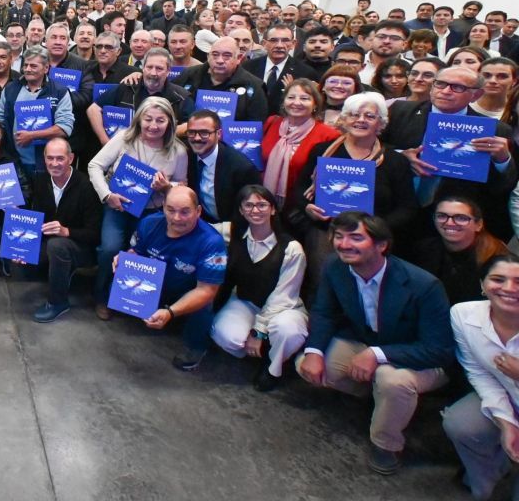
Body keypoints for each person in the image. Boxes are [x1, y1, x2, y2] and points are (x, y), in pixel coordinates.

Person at [297, 212, 455, 475]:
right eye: (338, 236)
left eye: (356, 237)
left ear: (382, 245)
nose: (344, 244)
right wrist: (313, 351)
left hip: (422, 357)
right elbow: (324, 311)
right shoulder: (335, 266)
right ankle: (380, 400)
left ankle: (386, 443)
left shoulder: (424, 285)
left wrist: (377, 354)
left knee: (391, 381)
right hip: (372, 343)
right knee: (309, 364)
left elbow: (439, 350)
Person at [289, 92, 420, 294]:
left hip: (372, 240)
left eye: (369, 116)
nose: (360, 120)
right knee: (324, 289)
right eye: (354, 114)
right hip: (326, 234)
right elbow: (300, 189)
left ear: (381, 123)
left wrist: (373, 229)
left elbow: (408, 208)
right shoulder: (322, 151)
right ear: (344, 119)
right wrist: (307, 208)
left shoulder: (395, 161)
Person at [384, 66, 517, 244]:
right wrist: (400, 156)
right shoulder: (398, 111)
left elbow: (502, 188)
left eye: (457, 87)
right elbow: (371, 149)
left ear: (476, 95)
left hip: (453, 222)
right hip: (398, 211)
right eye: (440, 84)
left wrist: (502, 161)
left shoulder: (495, 130)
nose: (446, 91)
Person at [89, 96, 189, 320]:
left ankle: (131, 301)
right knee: (110, 249)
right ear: (139, 119)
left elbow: (182, 186)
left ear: (170, 123)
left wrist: (167, 187)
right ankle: (102, 297)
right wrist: (107, 195)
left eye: (160, 120)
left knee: (145, 255)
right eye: (148, 119)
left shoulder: (179, 151)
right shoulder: (124, 138)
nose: (153, 125)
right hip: (118, 206)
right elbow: (95, 165)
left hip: (152, 213)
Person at [211, 185, 308, 391]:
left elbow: (283, 295)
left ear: (273, 209)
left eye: (262, 205)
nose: (255, 210)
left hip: (284, 308)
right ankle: (265, 350)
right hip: (246, 302)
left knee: (288, 331)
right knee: (227, 337)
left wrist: (259, 332)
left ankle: (273, 367)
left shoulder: (292, 249)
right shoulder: (232, 231)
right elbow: (198, 227)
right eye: (248, 205)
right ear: (241, 210)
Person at [123, 186, 227, 370]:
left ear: (198, 211)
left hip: (187, 292)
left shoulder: (212, 242)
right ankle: (143, 310)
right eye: (170, 210)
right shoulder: (149, 223)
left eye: (185, 212)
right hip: (154, 285)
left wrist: (170, 312)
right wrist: (124, 260)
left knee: (205, 303)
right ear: (163, 207)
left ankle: (195, 346)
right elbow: (136, 252)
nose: (176, 218)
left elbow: (207, 290)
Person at [444, 253, 519, 500]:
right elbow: (478, 372)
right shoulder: (463, 315)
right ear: (482, 285)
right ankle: (487, 479)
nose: (509, 288)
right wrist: (506, 422)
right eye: (498, 279)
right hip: (506, 396)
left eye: (518, 282)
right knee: (460, 423)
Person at [26, 137, 103, 322]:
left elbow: (95, 233)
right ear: (44, 158)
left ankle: (58, 302)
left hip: (82, 247)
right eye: (50, 158)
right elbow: (36, 218)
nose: (54, 163)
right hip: (52, 240)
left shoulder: (86, 186)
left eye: (60, 158)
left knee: (56, 246)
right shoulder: (41, 180)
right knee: (24, 258)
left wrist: (67, 231)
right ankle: (58, 271)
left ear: (71, 158)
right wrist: (23, 250)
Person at [0, 46, 74, 176]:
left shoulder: (59, 91)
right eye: (25, 65)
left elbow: (64, 128)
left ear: (46, 68)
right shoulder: (10, 89)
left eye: (33, 66)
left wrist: (32, 136)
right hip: (14, 161)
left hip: (47, 164)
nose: (27, 69)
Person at [261, 78, 341, 206]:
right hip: (265, 202)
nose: (296, 102)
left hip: (301, 206)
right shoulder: (272, 123)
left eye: (304, 98)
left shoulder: (329, 135)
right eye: (291, 97)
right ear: (284, 102)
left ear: (315, 104)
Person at [87, 47, 191, 145]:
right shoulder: (127, 86)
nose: (153, 73)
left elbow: (192, 124)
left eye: (159, 68)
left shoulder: (180, 96)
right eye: (149, 67)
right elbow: (93, 110)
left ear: (168, 71)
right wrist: (105, 142)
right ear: (143, 68)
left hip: (162, 152)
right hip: (125, 149)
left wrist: (163, 134)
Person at [183, 110, 263, 235]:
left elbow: (251, 213)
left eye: (204, 133)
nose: (197, 138)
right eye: (191, 132)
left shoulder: (242, 168)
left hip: (232, 231)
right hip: (199, 223)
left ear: (219, 134)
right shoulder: (186, 155)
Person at [431, 197, 510, 305]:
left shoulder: (497, 261)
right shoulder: (424, 249)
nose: (449, 222)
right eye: (441, 216)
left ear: (478, 225)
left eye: (461, 218)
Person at [177, 36, 268, 123]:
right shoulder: (188, 75)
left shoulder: (254, 86)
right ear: (208, 56)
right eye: (215, 55)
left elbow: (255, 125)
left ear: (239, 58)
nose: (220, 60)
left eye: (227, 55)